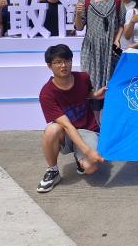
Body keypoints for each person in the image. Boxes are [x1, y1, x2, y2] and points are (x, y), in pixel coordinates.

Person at [37, 44, 106, 193]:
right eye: (58, 62)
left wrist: (95, 95)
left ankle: (80, 159)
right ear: (49, 66)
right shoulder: (47, 93)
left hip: (88, 129)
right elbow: (67, 126)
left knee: (90, 168)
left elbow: (85, 93)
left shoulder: (83, 77)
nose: (63, 65)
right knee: (52, 129)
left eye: (67, 61)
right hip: (67, 132)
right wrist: (87, 151)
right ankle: (53, 171)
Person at [74, 0, 125, 117]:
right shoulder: (85, 1)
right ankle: (93, 122)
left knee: (111, 83)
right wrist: (78, 14)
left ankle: (109, 121)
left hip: (110, 50)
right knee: (91, 83)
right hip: (91, 49)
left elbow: (122, 24)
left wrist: (117, 40)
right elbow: (79, 27)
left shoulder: (117, 1)